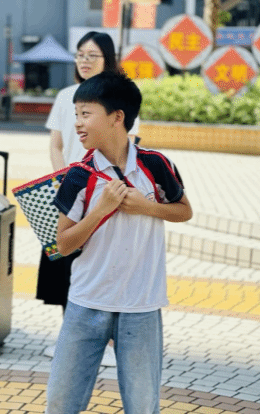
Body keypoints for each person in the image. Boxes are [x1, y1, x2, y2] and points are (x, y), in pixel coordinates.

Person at [45, 71, 193, 414]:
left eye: (86, 113)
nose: (77, 123)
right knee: (60, 402)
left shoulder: (156, 165)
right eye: (76, 113)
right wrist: (100, 210)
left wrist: (147, 207)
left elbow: (184, 211)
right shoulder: (78, 175)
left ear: (117, 117)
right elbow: (63, 244)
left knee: (142, 406)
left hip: (141, 305)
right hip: (86, 301)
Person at [39, 31, 140, 365]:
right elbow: (56, 144)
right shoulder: (65, 96)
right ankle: (70, 338)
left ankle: (107, 343)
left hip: (105, 194)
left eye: (92, 55)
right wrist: (65, 180)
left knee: (104, 266)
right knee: (66, 266)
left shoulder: (119, 98)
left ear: (107, 60)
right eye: (80, 54)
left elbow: (128, 146)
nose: (84, 61)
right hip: (71, 191)